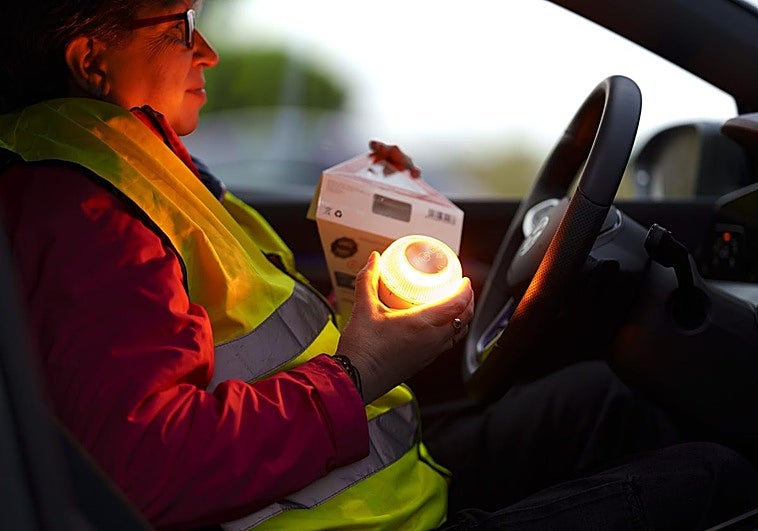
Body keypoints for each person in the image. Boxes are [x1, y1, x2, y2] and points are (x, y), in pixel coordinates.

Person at [0, 1, 755, 530]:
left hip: (368, 483)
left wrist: (367, 290)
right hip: (343, 518)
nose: (208, 52)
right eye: (181, 25)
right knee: (720, 476)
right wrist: (360, 368)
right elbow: (143, 465)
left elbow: (244, 339)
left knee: (610, 399)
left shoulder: (139, 160)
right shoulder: (79, 205)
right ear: (91, 61)